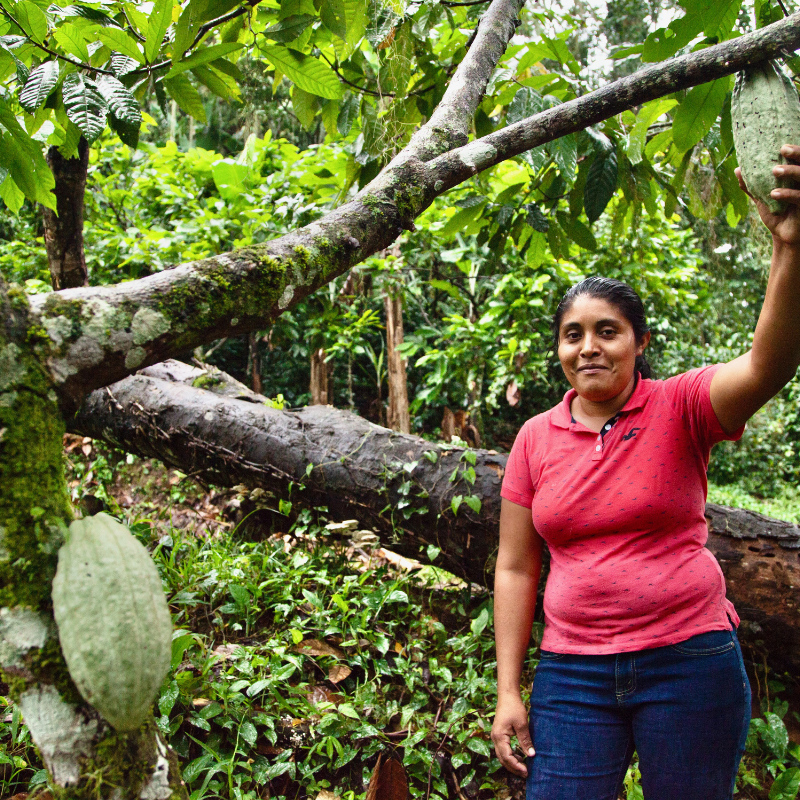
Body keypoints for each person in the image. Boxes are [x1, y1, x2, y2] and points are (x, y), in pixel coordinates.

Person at [491, 147, 800, 800]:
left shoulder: (681, 406)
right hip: (573, 674)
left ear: (640, 343)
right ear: (559, 349)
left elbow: (768, 366)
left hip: (689, 663)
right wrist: (508, 691)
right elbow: (517, 567)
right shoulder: (534, 438)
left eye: (608, 331)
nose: (589, 347)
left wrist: (790, 249)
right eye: (573, 334)